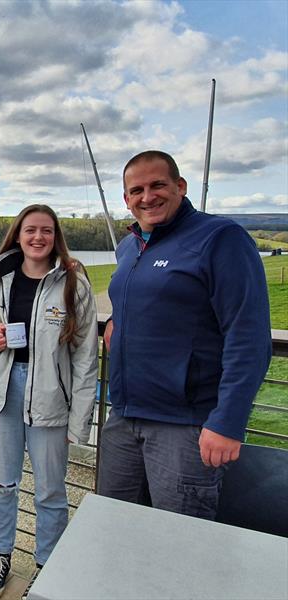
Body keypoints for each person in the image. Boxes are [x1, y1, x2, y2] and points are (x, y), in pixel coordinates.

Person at [98, 150, 271, 519]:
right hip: (124, 416)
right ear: (126, 200)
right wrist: (117, 321)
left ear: (180, 186)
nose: (148, 197)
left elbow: (249, 335)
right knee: (112, 527)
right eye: (136, 190)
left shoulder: (221, 238)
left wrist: (228, 421)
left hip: (185, 426)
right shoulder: (129, 246)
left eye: (157, 185)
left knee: (180, 544)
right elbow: (149, 298)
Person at [0, 205, 98, 597]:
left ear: (55, 235)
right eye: (30, 230)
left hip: (51, 398)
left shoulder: (73, 282)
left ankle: (48, 565)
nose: (38, 238)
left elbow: (85, 356)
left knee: (49, 490)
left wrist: (79, 422)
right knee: (3, 483)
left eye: (46, 230)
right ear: (18, 234)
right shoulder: (2, 276)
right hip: (5, 393)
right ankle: (1, 556)